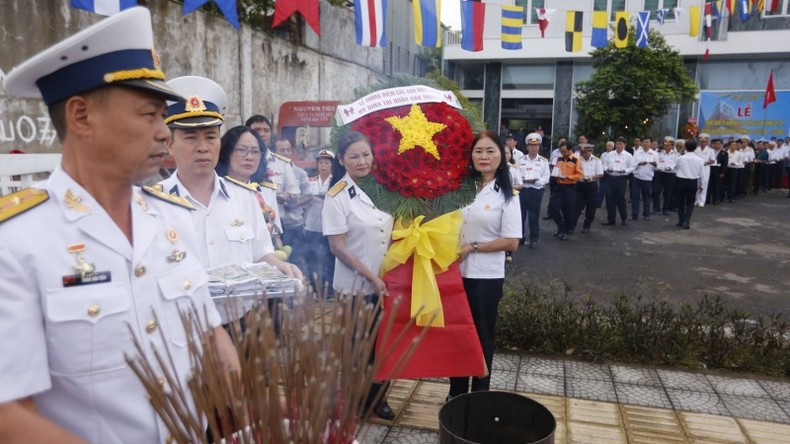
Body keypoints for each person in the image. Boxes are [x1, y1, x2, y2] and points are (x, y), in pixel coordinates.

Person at [0, 8, 239, 443]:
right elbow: (9, 414)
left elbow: (210, 333)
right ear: (81, 117)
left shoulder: (169, 219)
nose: (165, 133)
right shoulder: (17, 244)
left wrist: (249, 407)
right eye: (148, 115)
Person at [160, 76, 302, 328]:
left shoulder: (245, 197)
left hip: (241, 325)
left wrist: (281, 267)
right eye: (190, 137)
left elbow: (261, 253)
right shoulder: (153, 204)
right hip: (181, 328)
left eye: (211, 137)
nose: (203, 147)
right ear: (170, 144)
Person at [322, 131, 395, 420]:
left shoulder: (385, 188)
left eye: (366, 154)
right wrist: (371, 278)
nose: (362, 161)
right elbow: (337, 247)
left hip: (388, 283)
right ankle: (355, 399)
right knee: (356, 347)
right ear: (342, 160)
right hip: (355, 286)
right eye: (354, 156)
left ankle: (378, 397)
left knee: (383, 345)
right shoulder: (337, 195)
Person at [449, 130, 521, 399]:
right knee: (458, 335)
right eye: (478, 151)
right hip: (457, 274)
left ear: (501, 156)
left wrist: (473, 247)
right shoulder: (461, 190)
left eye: (490, 151)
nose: (484, 156)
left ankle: (479, 393)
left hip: (486, 277)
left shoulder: (507, 196)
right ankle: (456, 392)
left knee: (481, 336)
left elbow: (512, 241)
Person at [215, 125, 282, 235]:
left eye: (255, 152)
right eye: (241, 150)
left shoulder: (266, 191)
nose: (249, 157)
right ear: (227, 152)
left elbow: (276, 235)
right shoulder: (214, 190)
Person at [274, 138, 312, 270]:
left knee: (296, 261)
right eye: (281, 150)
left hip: (294, 224)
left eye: (288, 149)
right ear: (274, 152)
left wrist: (294, 204)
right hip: (275, 227)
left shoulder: (300, 173)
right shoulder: (269, 172)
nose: (285, 153)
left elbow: (309, 195)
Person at [304, 149, 336, 294]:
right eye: (321, 162)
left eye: (327, 162)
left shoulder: (336, 182)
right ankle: (314, 288)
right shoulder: (309, 181)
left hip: (330, 227)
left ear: (332, 165)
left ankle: (328, 289)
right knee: (312, 258)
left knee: (329, 258)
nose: (323, 165)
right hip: (312, 225)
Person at [517, 133, 550, 249]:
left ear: (539, 147)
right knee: (520, 216)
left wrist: (537, 181)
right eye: (531, 145)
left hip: (536, 191)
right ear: (527, 147)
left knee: (533, 217)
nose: (533, 147)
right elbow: (515, 175)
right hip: (522, 191)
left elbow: (547, 177)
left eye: (536, 145)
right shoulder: (520, 160)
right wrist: (520, 180)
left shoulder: (544, 161)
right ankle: (520, 239)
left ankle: (534, 239)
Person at [548, 141, 583, 240]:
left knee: (567, 211)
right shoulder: (559, 159)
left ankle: (565, 231)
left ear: (570, 150)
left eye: (564, 151)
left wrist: (568, 176)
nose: (563, 153)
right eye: (561, 151)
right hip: (558, 187)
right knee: (553, 208)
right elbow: (555, 169)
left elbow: (580, 175)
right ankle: (561, 227)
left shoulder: (576, 160)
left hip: (570, 187)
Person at [602, 137, 634, 226]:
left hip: (621, 179)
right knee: (609, 199)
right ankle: (611, 219)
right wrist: (607, 169)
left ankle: (624, 219)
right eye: (617, 144)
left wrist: (624, 171)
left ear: (624, 145)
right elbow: (604, 165)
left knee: (620, 199)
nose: (618, 146)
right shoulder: (610, 154)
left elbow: (632, 167)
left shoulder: (628, 155)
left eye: (621, 144)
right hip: (610, 178)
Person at [675, 139, 705, 229]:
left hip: (681, 181)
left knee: (680, 202)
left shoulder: (680, 158)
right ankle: (686, 221)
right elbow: (702, 174)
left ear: (685, 147)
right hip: (692, 182)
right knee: (690, 203)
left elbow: (675, 168)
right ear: (695, 148)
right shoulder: (699, 160)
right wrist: (702, 185)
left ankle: (681, 220)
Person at [573, 144, 603, 233]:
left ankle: (587, 226)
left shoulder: (596, 160)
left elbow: (600, 174)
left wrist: (591, 177)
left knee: (591, 207)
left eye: (585, 152)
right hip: (580, 184)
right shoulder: (579, 159)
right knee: (576, 206)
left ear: (590, 151)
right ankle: (572, 226)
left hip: (591, 185)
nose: (583, 154)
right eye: (582, 153)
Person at [631, 137, 657, 221]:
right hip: (637, 177)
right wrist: (639, 164)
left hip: (648, 178)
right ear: (642, 143)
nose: (646, 144)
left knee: (646, 197)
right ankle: (634, 215)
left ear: (650, 143)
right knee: (635, 196)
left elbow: (658, 167)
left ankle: (646, 215)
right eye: (644, 142)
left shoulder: (654, 153)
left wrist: (654, 164)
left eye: (647, 142)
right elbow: (632, 164)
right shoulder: (637, 153)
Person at [652, 137, 678, 215]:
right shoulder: (659, 153)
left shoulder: (675, 155)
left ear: (672, 146)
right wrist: (658, 167)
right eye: (665, 145)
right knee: (655, 191)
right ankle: (656, 208)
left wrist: (671, 167)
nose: (666, 147)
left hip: (670, 175)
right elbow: (656, 162)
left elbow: (676, 164)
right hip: (660, 173)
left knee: (667, 193)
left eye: (668, 145)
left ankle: (665, 209)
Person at [708, 138, 728, 205]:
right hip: (710, 169)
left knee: (717, 186)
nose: (717, 145)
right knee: (709, 185)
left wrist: (723, 173)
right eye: (716, 144)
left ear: (721, 145)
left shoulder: (724, 153)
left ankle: (715, 199)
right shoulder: (710, 151)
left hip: (718, 171)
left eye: (719, 144)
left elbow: (725, 164)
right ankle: (708, 199)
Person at [596, 140, 614, 208]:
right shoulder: (603, 154)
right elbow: (601, 163)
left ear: (612, 147)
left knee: (609, 190)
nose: (608, 147)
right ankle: (598, 203)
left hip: (611, 173)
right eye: (607, 145)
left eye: (610, 146)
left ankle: (608, 204)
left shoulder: (614, 154)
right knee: (601, 189)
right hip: (604, 172)